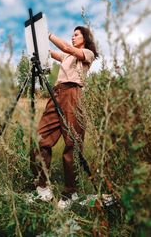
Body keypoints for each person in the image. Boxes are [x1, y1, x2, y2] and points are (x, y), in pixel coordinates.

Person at [32, 26, 98, 209]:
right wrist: (38, 44)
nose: (72, 36)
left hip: (72, 94)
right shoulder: (67, 57)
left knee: (72, 144)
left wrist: (48, 35)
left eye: (76, 34)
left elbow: (67, 48)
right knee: (40, 139)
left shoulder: (87, 53)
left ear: (85, 37)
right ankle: (43, 189)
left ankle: (71, 192)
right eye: (72, 34)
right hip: (57, 94)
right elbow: (55, 53)